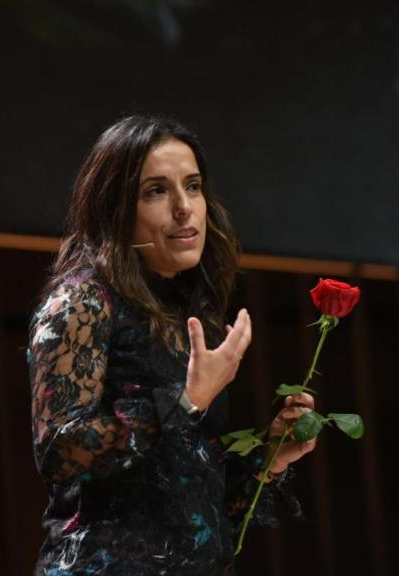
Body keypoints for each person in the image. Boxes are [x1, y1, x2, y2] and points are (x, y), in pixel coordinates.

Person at [27, 115, 318, 575]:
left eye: (194, 186)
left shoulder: (188, 309)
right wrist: (185, 401)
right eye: (156, 191)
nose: (185, 208)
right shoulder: (82, 299)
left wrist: (270, 458)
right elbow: (60, 453)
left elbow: (191, 496)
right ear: (116, 209)